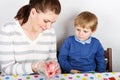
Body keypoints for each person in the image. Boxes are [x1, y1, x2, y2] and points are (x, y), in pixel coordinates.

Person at [0, 0, 61, 78]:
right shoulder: (8, 30)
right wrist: (35, 66)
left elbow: (52, 61)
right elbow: (7, 68)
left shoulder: (50, 33)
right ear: (33, 12)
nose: (49, 27)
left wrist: (55, 70)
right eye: (46, 21)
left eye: (52, 23)